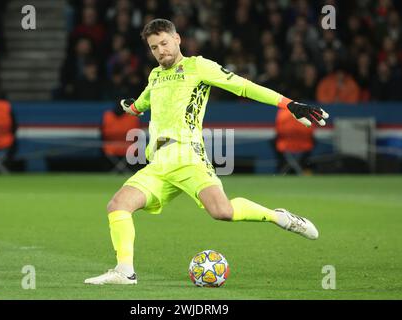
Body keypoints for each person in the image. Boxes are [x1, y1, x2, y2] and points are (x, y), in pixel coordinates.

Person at [85, 19, 329, 285]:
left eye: (164, 43)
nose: (160, 51)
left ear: (178, 39)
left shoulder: (198, 66)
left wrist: (289, 104)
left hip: (187, 155)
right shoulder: (155, 76)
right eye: (154, 47)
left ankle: (280, 217)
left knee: (221, 212)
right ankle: (124, 271)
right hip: (158, 163)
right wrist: (130, 107)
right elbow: (142, 103)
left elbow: (244, 86)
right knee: (118, 205)